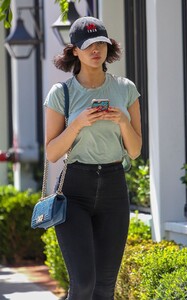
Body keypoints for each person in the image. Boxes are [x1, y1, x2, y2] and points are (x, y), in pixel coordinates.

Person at [44, 16, 142, 300]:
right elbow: (52, 154)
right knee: (84, 282)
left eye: (100, 43)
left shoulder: (125, 88)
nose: (95, 50)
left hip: (114, 187)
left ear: (108, 47)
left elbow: (134, 151)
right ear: (74, 50)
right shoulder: (61, 93)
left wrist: (123, 121)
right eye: (87, 45)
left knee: (104, 287)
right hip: (75, 189)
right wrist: (78, 123)